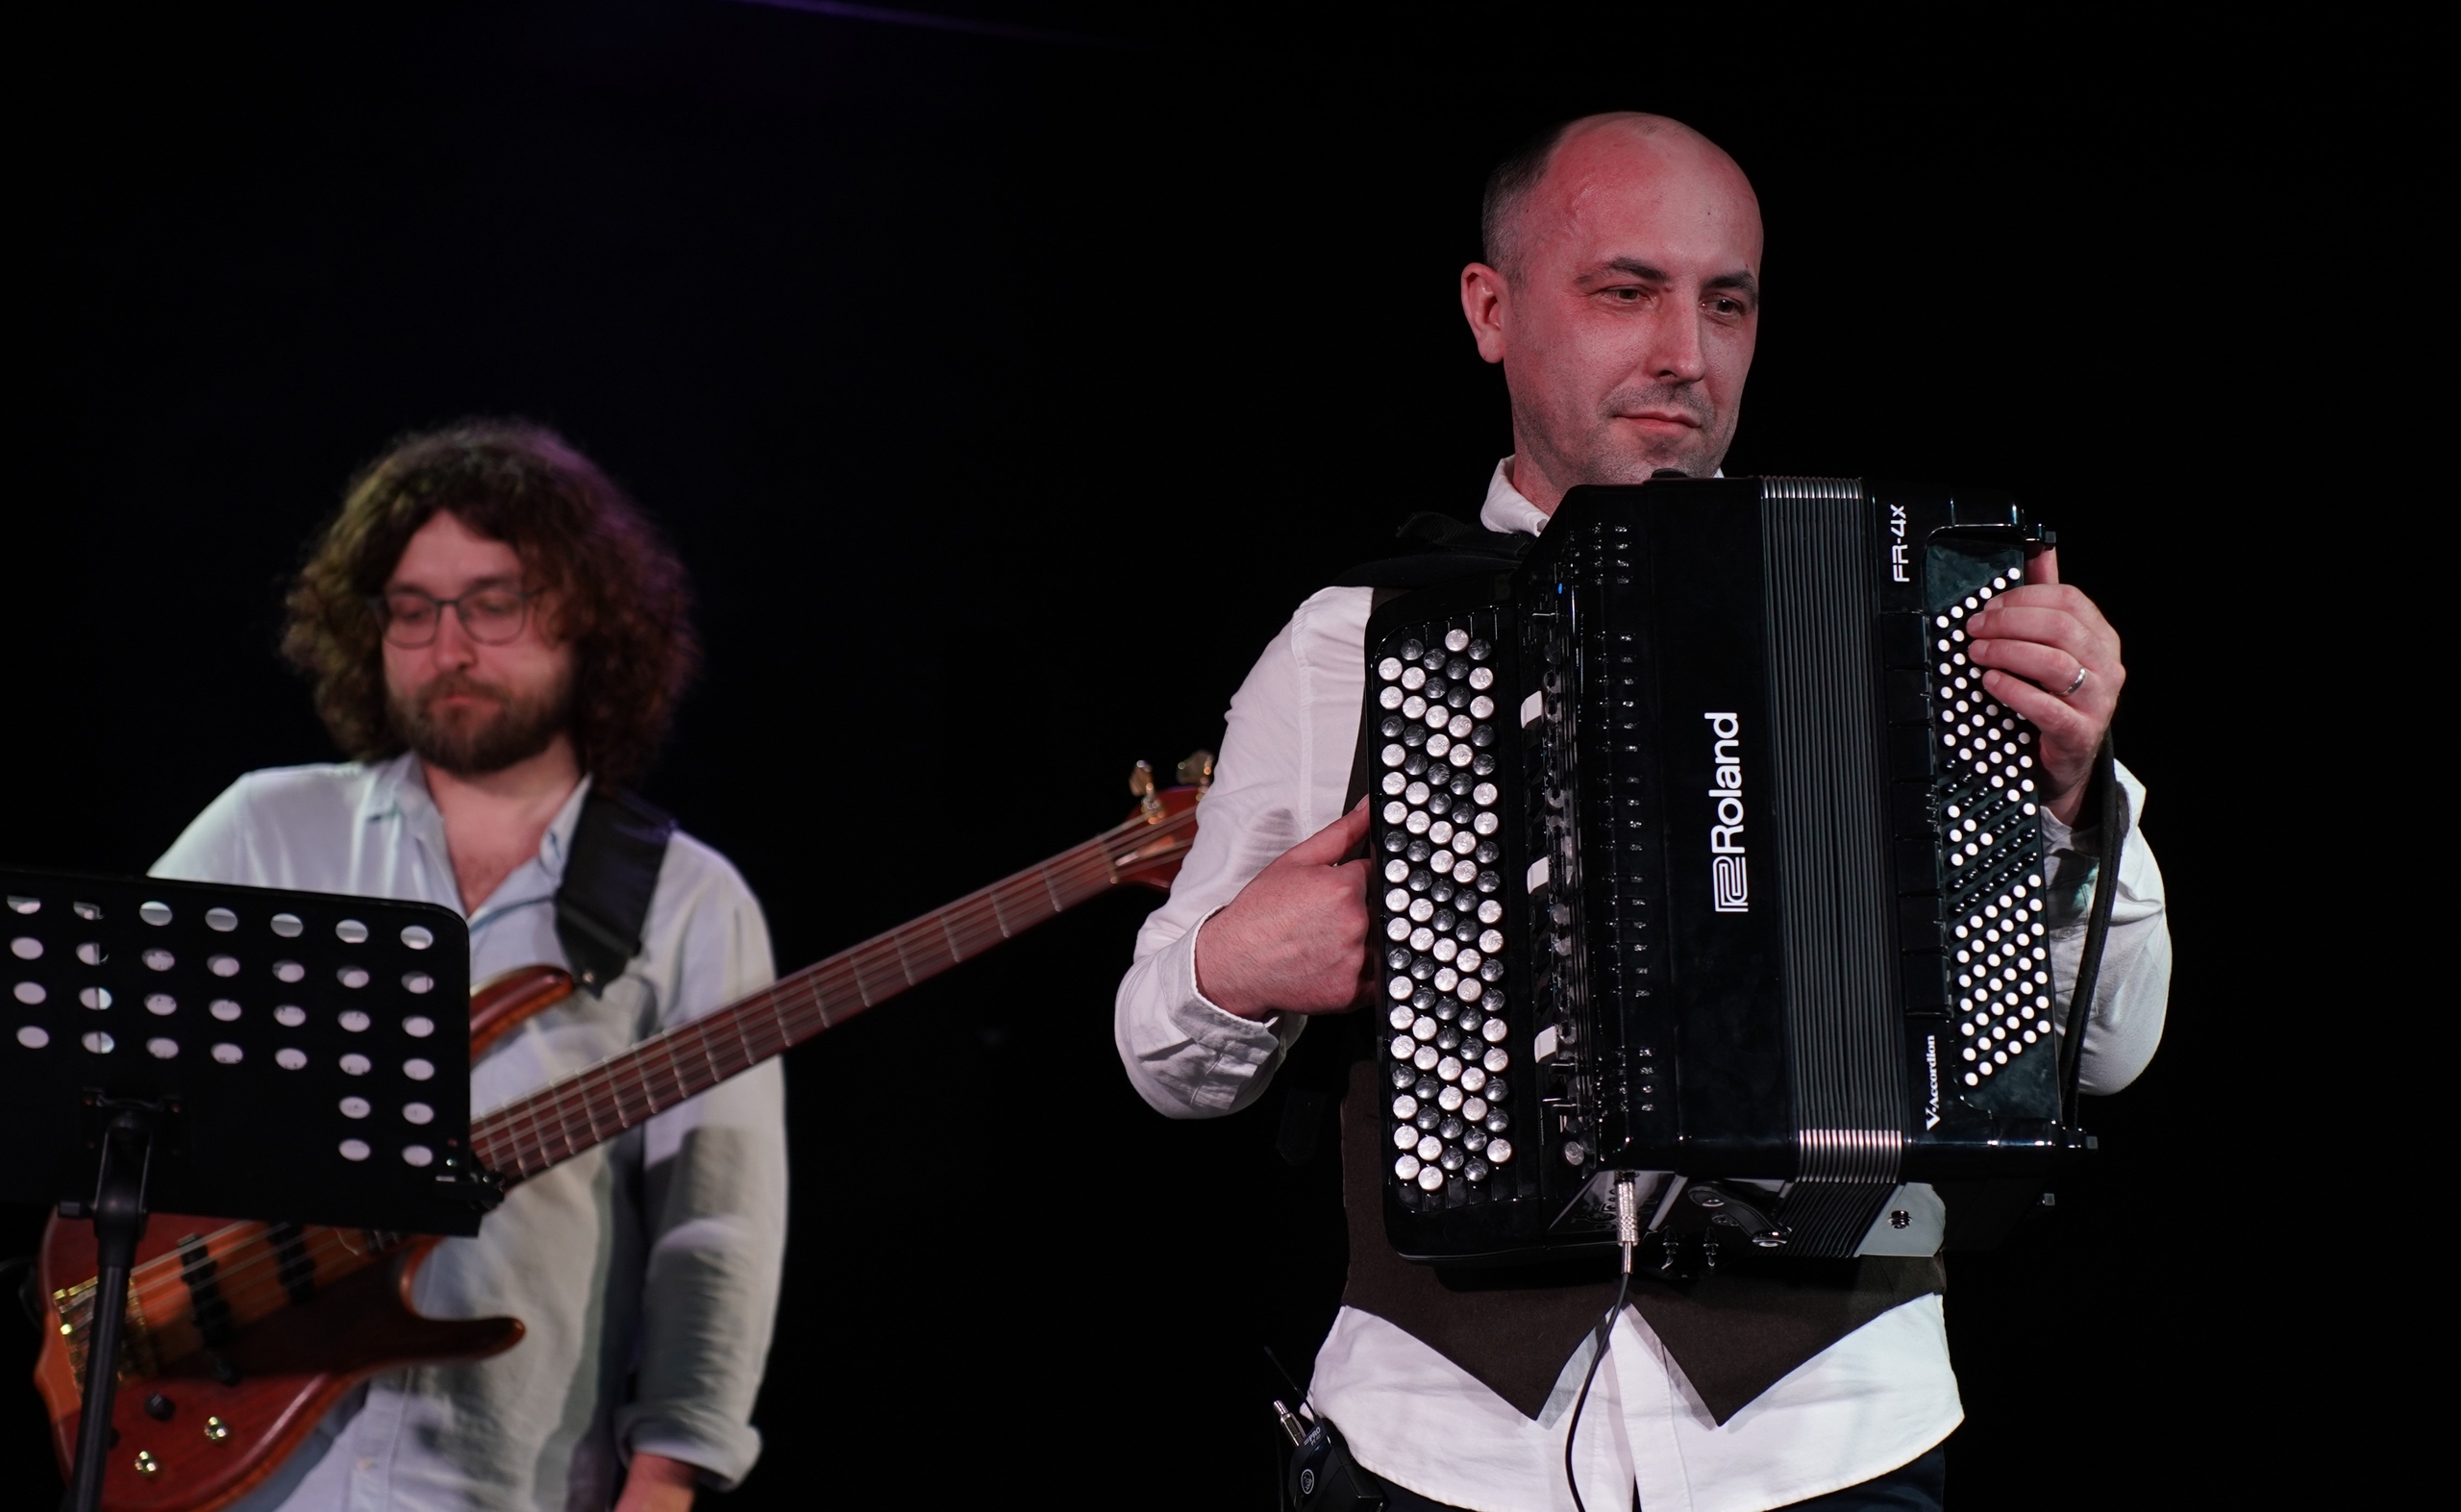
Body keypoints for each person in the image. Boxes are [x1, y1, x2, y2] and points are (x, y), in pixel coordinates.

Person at [1114, 113, 2171, 1511]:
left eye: (1725, 304)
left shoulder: (1915, 612)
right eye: (1626, 291)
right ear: (1491, 310)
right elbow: (1163, 1057)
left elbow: (2113, 1050)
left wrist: (2073, 799)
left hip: (1828, 1436)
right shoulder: (1344, 642)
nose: (1685, 352)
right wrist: (1237, 961)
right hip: (1443, 1437)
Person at [153, 421, 787, 1512]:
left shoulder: (689, 901)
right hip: (240, 1467)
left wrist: (667, 1478)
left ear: (588, 618)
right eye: (412, 609)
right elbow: (103, 1084)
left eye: (494, 604)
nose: (449, 646)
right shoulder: (265, 830)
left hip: (503, 1484)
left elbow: (716, 1227)